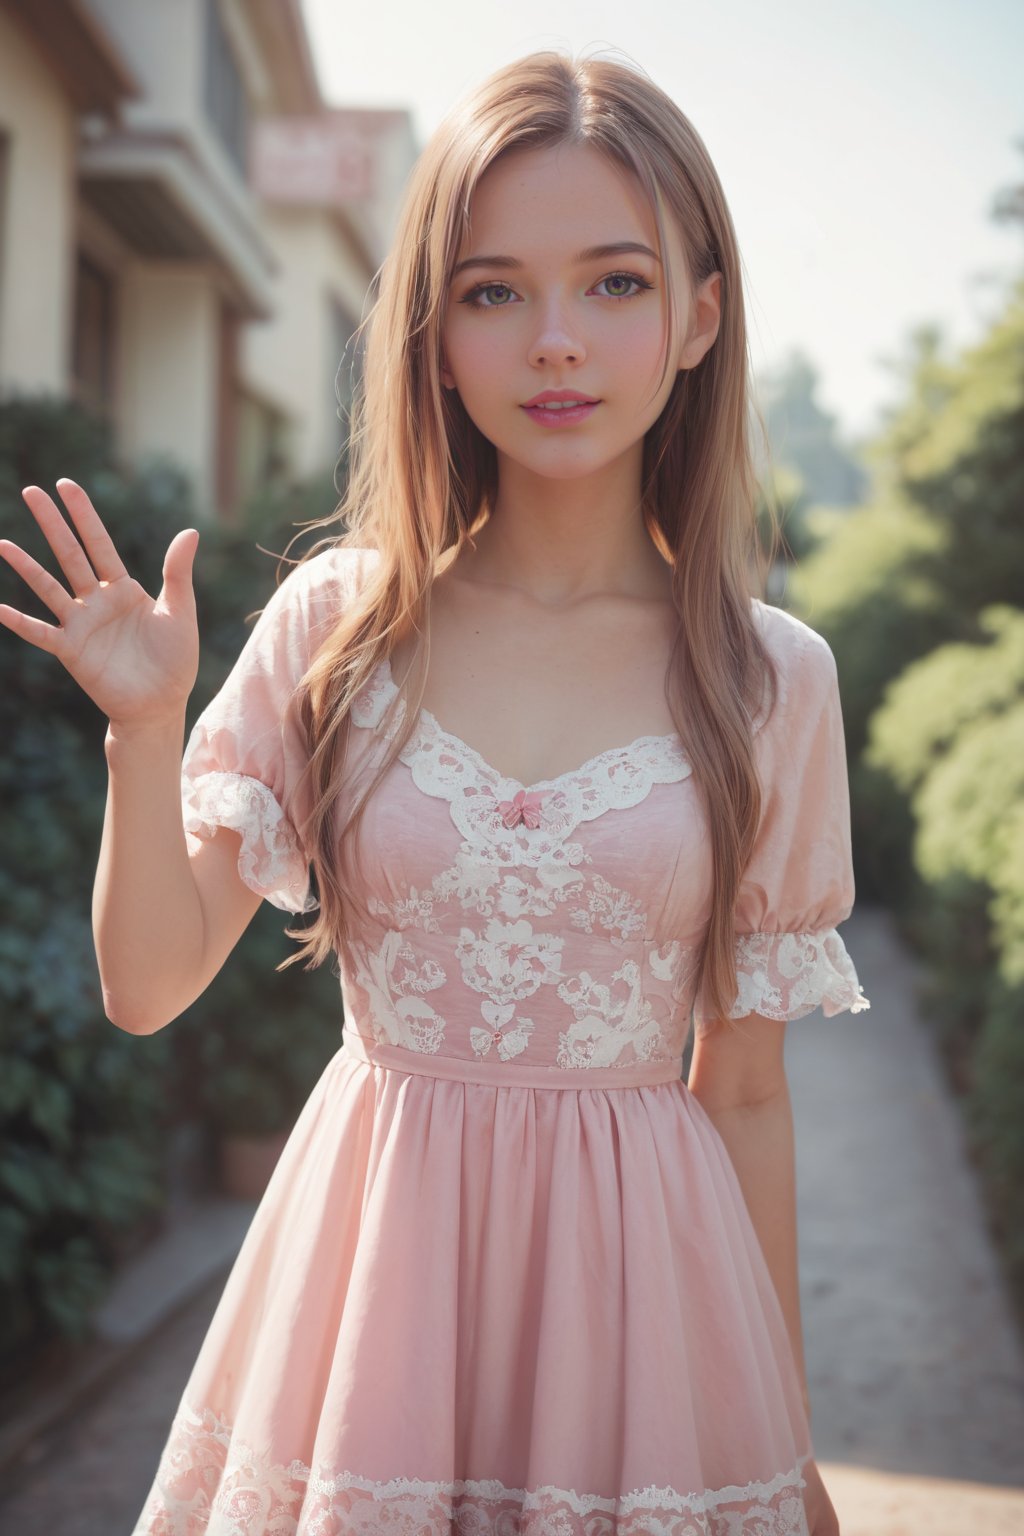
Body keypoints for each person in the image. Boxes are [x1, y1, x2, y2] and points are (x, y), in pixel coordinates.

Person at [0, 49, 870, 1536]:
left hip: (640, 1310)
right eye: (492, 291)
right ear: (434, 331)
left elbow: (741, 1087)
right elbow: (147, 986)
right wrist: (145, 733)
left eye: (612, 283)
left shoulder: (771, 677)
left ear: (698, 318)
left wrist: (772, 1439)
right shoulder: (336, 628)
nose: (554, 343)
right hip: (369, 1292)